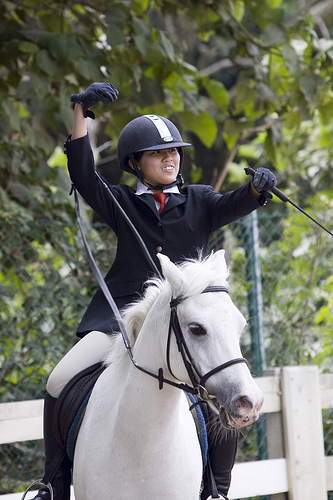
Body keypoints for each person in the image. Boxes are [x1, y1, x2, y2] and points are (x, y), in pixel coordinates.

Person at [33, 82, 276, 500]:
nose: (170, 158)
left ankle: (217, 489)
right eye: (159, 153)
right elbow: (84, 177)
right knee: (58, 380)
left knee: (223, 388)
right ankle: (53, 485)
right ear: (136, 163)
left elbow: (234, 203)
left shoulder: (199, 200)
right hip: (120, 317)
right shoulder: (122, 202)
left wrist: (257, 190)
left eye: (174, 152)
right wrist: (80, 111)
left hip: (186, 322)